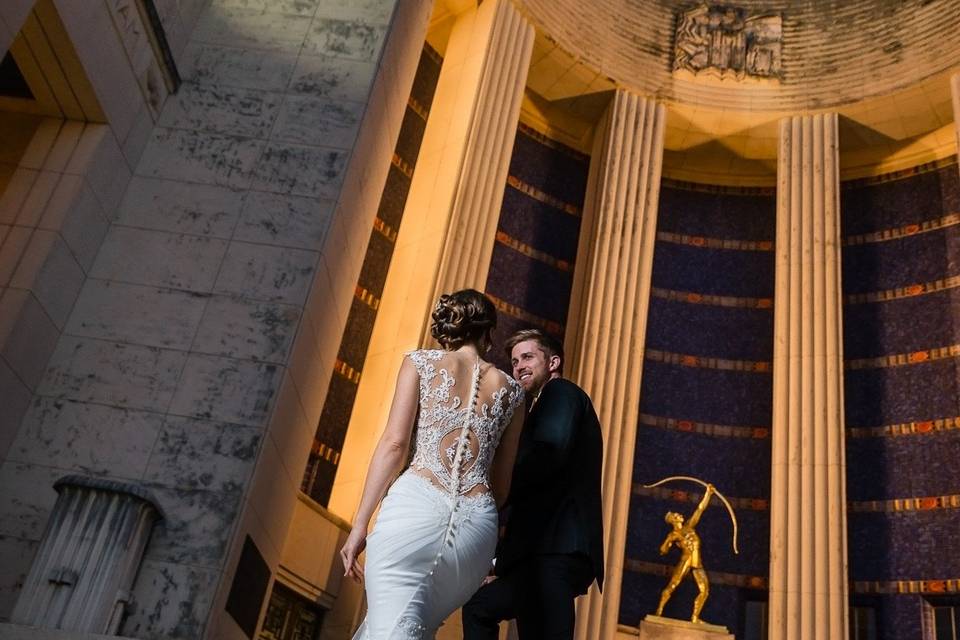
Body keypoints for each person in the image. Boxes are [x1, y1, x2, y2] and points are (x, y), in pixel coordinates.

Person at [339, 289, 525, 639]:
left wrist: (359, 525)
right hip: (476, 528)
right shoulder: (512, 391)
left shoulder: (420, 363)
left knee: (394, 626)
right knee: (412, 626)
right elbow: (502, 487)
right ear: (487, 332)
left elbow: (395, 445)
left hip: (415, 509)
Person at [461, 329, 604, 640]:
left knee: (483, 608)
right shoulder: (540, 404)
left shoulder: (561, 392)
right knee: (480, 606)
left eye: (527, 357)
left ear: (553, 361)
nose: (518, 367)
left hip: (557, 550)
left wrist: (495, 493)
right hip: (540, 554)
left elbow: (547, 455)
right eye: (514, 361)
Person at [654, 483, 714, 623]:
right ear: (673, 520)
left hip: (697, 563)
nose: (679, 515)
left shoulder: (689, 526)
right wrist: (668, 541)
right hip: (686, 561)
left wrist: (708, 494)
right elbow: (663, 550)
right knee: (673, 585)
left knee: (704, 590)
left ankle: (695, 617)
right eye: (676, 515)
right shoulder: (674, 534)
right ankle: (659, 610)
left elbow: (699, 509)